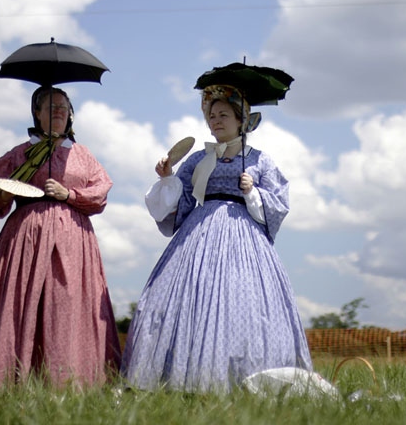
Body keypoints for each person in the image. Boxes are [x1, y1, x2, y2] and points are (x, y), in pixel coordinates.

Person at [121, 84, 312, 392]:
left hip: (244, 237)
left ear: (242, 120)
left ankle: (248, 380)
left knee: (244, 304)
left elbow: (279, 205)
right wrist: (168, 177)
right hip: (198, 234)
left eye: (224, 114)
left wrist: (254, 192)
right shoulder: (198, 159)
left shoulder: (260, 160)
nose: (216, 121)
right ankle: (173, 379)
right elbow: (182, 202)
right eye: (211, 115)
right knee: (172, 301)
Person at [0, 86, 121, 386]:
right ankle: (8, 379)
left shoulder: (82, 154)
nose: (59, 112)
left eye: (64, 107)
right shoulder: (21, 153)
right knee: (20, 304)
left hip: (73, 241)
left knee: (66, 305)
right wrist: (9, 188)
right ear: (37, 113)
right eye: (51, 107)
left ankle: (73, 382)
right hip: (26, 238)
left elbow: (101, 190)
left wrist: (69, 193)